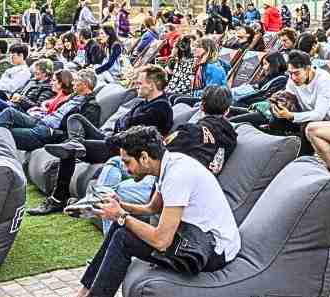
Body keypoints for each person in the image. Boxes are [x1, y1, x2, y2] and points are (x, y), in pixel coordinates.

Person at [37, 125, 240, 297]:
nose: (125, 168)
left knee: (124, 234)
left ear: (144, 157)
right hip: (193, 236)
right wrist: (115, 207)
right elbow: (152, 208)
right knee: (120, 226)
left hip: (212, 250)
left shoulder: (177, 174)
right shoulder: (167, 164)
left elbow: (161, 241)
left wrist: (121, 216)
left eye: (127, 162)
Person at [87, 85, 238, 235]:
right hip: (183, 185)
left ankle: (99, 211)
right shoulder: (230, 139)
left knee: (114, 192)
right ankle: (93, 201)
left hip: (167, 184)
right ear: (227, 110)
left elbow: (158, 156)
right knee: (115, 162)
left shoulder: (191, 132)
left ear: (202, 105)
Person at [29, 65, 174, 215]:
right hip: (114, 139)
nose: (136, 84)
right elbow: (123, 124)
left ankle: (58, 199)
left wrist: (124, 125)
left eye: (140, 82)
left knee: (69, 151)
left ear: (151, 85)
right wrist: (124, 125)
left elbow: (135, 135)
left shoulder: (160, 108)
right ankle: (76, 142)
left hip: (123, 149)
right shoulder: (144, 103)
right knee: (75, 118)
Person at [0, 69, 102, 151]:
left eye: (76, 80)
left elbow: (82, 133)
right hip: (41, 121)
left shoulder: (91, 106)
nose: (73, 83)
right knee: (9, 112)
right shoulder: (74, 96)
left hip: (48, 132)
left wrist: (55, 134)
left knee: (5, 132)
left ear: (85, 84)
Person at [272, 50, 330, 159]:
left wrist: (291, 115)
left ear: (308, 69)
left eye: (296, 73)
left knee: (300, 135)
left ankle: (301, 161)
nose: (293, 77)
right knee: (275, 122)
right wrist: (279, 104)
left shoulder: (324, 81)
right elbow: (289, 97)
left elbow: (319, 115)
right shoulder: (293, 79)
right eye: (290, 73)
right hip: (305, 120)